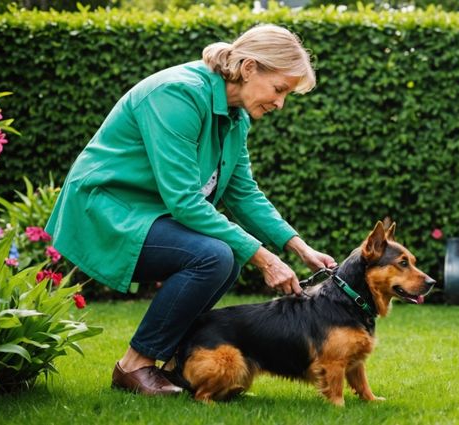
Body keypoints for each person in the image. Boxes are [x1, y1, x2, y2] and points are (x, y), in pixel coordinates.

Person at [45, 24, 337, 396]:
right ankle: (134, 365)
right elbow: (184, 200)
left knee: (225, 256)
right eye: (279, 89)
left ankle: (171, 364)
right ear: (249, 68)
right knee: (214, 256)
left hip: (147, 214)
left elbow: (243, 192)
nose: (280, 103)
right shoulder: (178, 94)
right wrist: (264, 258)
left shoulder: (235, 116)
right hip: (106, 211)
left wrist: (299, 247)